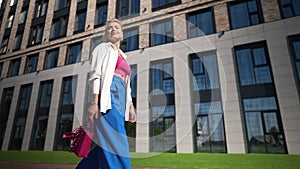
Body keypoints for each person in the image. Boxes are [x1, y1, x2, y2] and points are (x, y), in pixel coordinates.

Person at [76, 19, 136, 169]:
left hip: (121, 97)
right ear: (106, 34)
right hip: (108, 94)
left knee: (107, 142)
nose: (113, 29)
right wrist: (94, 102)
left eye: (116, 27)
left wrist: (130, 106)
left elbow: (127, 85)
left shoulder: (123, 56)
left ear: (122, 34)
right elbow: (96, 75)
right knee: (116, 139)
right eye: (109, 28)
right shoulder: (102, 48)